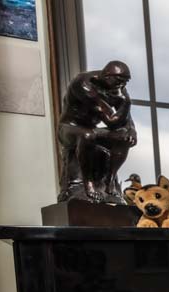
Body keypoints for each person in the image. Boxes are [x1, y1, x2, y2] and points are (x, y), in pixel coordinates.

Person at [57, 60, 137, 204]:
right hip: (69, 128)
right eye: (119, 81)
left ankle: (109, 181)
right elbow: (111, 121)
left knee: (124, 137)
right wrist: (127, 102)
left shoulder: (118, 88)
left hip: (93, 130)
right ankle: (89, 184)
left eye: (125, 82)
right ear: (108, 76)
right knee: (87, 136)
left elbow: (125, 119)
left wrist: (132, 130)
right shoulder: (84, 84)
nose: (122, 86)